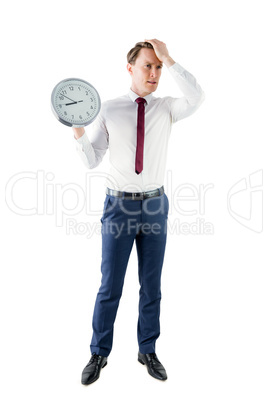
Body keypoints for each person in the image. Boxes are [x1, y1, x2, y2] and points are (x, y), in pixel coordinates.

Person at [72, 39, 205, 385]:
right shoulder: (110, 108)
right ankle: (99, 353)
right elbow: (91, 160)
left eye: (158, 67)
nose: (155, 73)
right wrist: (77, 131)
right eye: (148, 65)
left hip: (156, 205)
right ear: (130, 68)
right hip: (119, 206)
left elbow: (197, 97)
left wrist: (169, 57)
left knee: (151, 285)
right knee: (110, 286)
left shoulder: (167, 107)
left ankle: (147, 349)